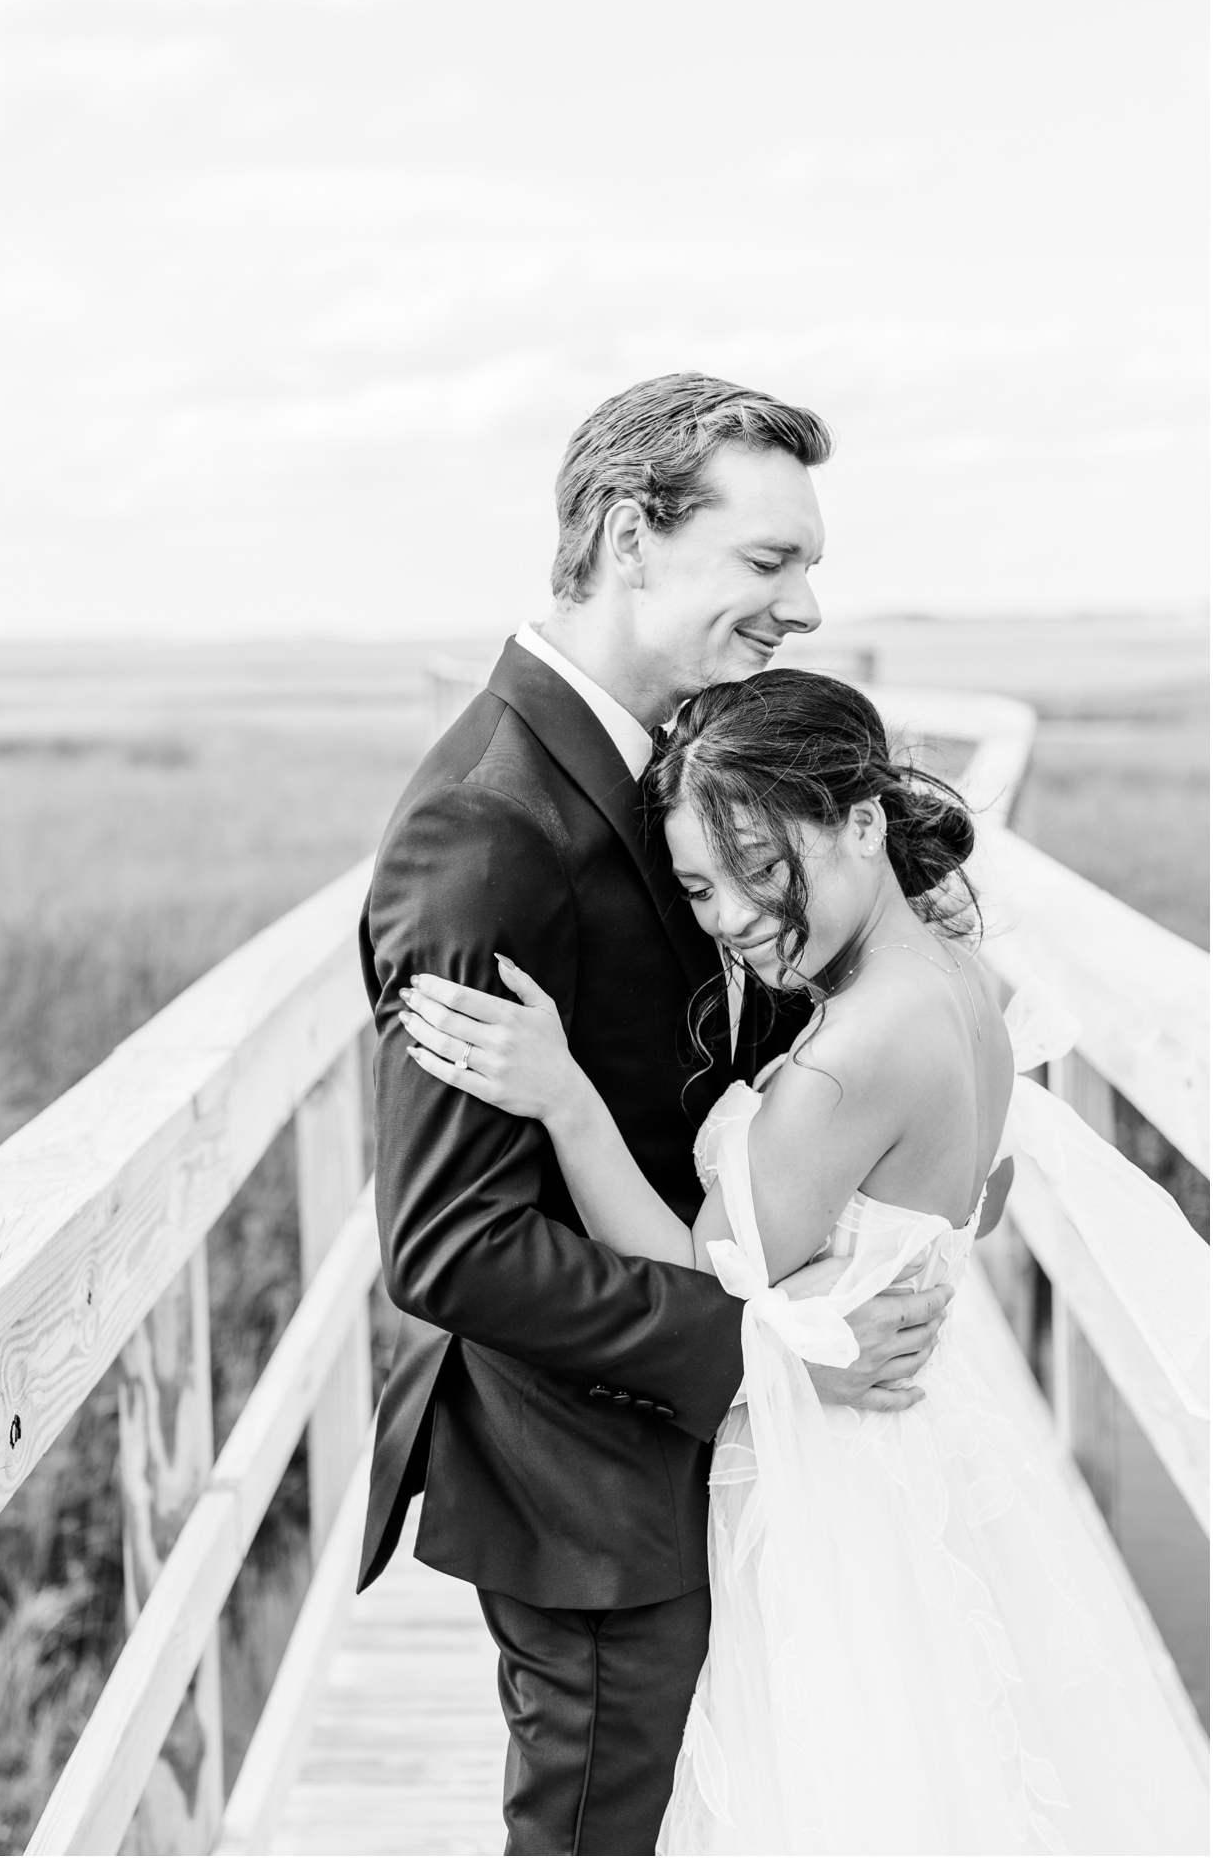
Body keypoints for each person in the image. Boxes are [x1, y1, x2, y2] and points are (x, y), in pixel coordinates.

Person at [401, 669, 1210, 1855]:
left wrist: (566, 1101)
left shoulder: (852, 1055)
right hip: (918, 1428)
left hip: (834, 1480)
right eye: (695, 887)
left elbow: (690, 1264)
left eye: (759, 868)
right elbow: (980, 1193)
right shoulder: (957, 978)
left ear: (862, 822)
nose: (727, 913)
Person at [357, 374, 956, 1855]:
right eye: (771, 561)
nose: (807, 604)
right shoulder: (483, 832)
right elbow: (450, 1245)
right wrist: (769, 1351)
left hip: (709, 1470)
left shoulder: (654, 759)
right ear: (633, 533)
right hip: (593, 1498)